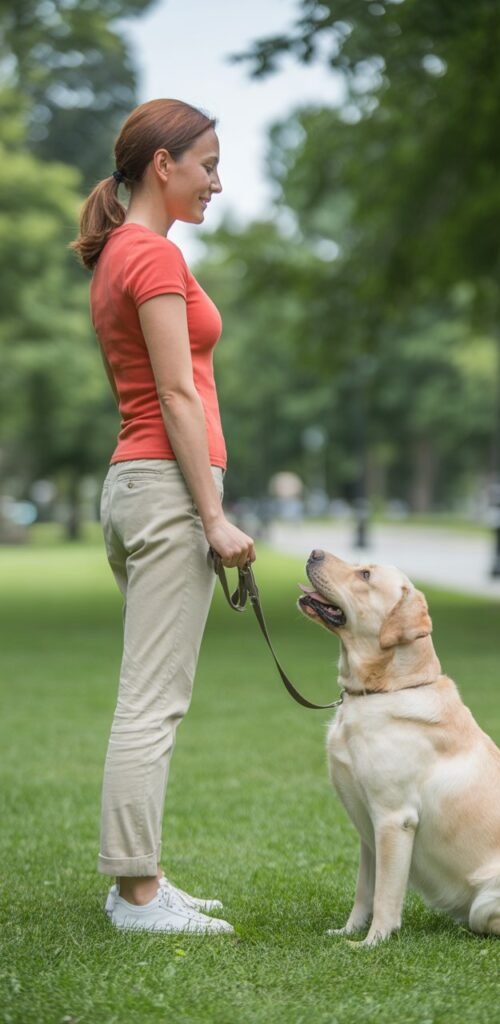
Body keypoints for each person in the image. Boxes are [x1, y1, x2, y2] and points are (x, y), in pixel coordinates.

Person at [71, 98, 255, 934]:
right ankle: (138, 897)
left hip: (140, 484)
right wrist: (213, 517)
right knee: (152, 701)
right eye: (208, 164)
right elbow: (176, 394)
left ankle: (139, 879)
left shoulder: (125, 251)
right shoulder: (147, 255)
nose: (218, 180)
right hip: (166, 490)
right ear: (163, 165)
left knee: (149, 693)